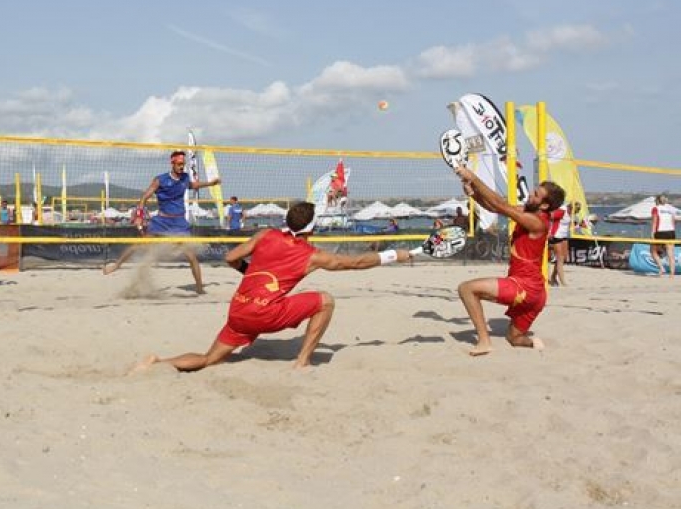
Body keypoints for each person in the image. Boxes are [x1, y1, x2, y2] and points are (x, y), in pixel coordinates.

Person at [135, 201, 413, 372]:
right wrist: (392, 255)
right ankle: (302, 362)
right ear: (311, 230)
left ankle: (157, 364)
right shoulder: (312, 255)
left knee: (209, 360)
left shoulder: (265, 234)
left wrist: (249, 273)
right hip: (265, 314)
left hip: (239, 311)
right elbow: (353, 263)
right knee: (326, 300)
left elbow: (230, 257)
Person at [454, 165, 565, 357]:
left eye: (536, 194)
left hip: (525, 288)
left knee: (466, 289)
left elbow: (500, 205)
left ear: (545, 205)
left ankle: (484, 341)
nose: (530, 194)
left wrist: (473, 175)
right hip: (537, 294)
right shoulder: (530, 212)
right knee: (514, 338)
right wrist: (473, 192)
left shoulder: (536, 222)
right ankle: (532, 344)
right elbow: (493, 206)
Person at [103, 150, 220, 294]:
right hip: (162, 221)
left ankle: (199, 288)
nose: (181, 167)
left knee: (191, 256)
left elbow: (193, 185)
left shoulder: (184, 178)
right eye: (179, 164)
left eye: (183, 164)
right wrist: (139, 214)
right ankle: (116, 265)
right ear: (172, 163)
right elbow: (144, 197)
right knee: (141, 245)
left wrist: (210, 184)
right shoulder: (160, 179)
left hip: (179, 223)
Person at [650, 194, 676, 278]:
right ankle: (672, 274)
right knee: (671, 254)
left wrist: (652, 233)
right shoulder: (670, 209)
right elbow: (673, 222)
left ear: (657, 201)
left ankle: (661, 268)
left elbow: (654, 222)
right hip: (671, 232)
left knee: (653, 251)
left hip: (660, 232)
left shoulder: (655, 208)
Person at [548, 202, 572, 286]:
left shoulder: (570, 213)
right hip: (556, 235)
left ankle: (553, 277)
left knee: (564, 257)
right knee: (560, 259)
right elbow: (549, 216)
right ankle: (563, 282)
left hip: (564, 236)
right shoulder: (561, 211)